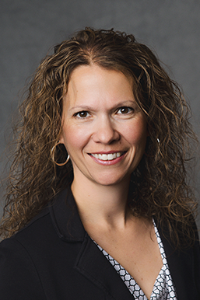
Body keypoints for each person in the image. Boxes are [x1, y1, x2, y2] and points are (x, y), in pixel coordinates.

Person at [0, 28, 199, 300]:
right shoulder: (21, 261)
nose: (106, 135)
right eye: (83, 114)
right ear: (57, 130)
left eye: (123, 110)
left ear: (150, 119)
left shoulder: (179, 227)